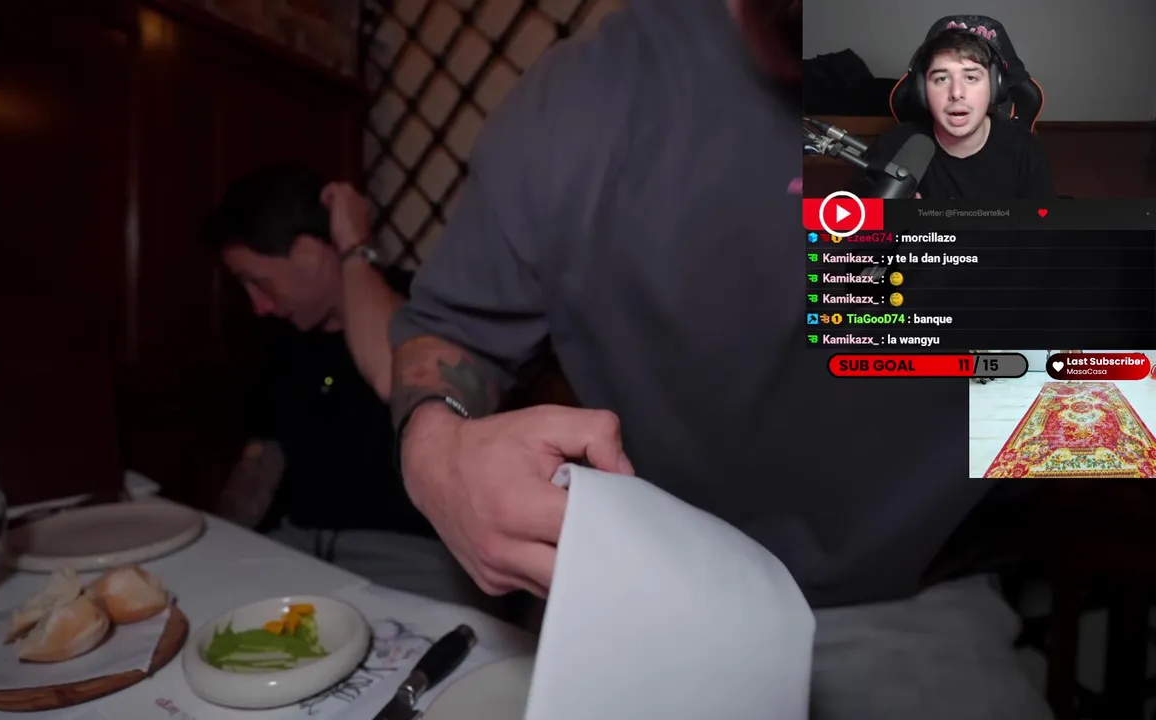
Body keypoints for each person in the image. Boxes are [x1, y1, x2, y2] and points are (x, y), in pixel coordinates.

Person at [387, 1, 1053, 719]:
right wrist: (435, 453)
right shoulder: (588, 93)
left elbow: (1095, 398)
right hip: (644, 583)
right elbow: (449, 335)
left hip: (909, 606)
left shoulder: (1047, 101)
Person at [203, 164, 493, 611]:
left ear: (308, 254)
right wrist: (213, 544)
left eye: (257, 283)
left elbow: (397, 375)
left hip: (412, 554)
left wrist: (355, 249)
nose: (257, 306)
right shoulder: (283, 337)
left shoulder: (420, 304)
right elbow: (262, 459)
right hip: (300, 546)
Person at [866, 27, 1057, 199]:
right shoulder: (893, 145)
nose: (956, 93)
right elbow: (851, 220)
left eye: (971, 77)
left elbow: (1043, 222)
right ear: (922, 91)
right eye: (942, 79)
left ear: (994, 87)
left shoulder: (1024, 148)